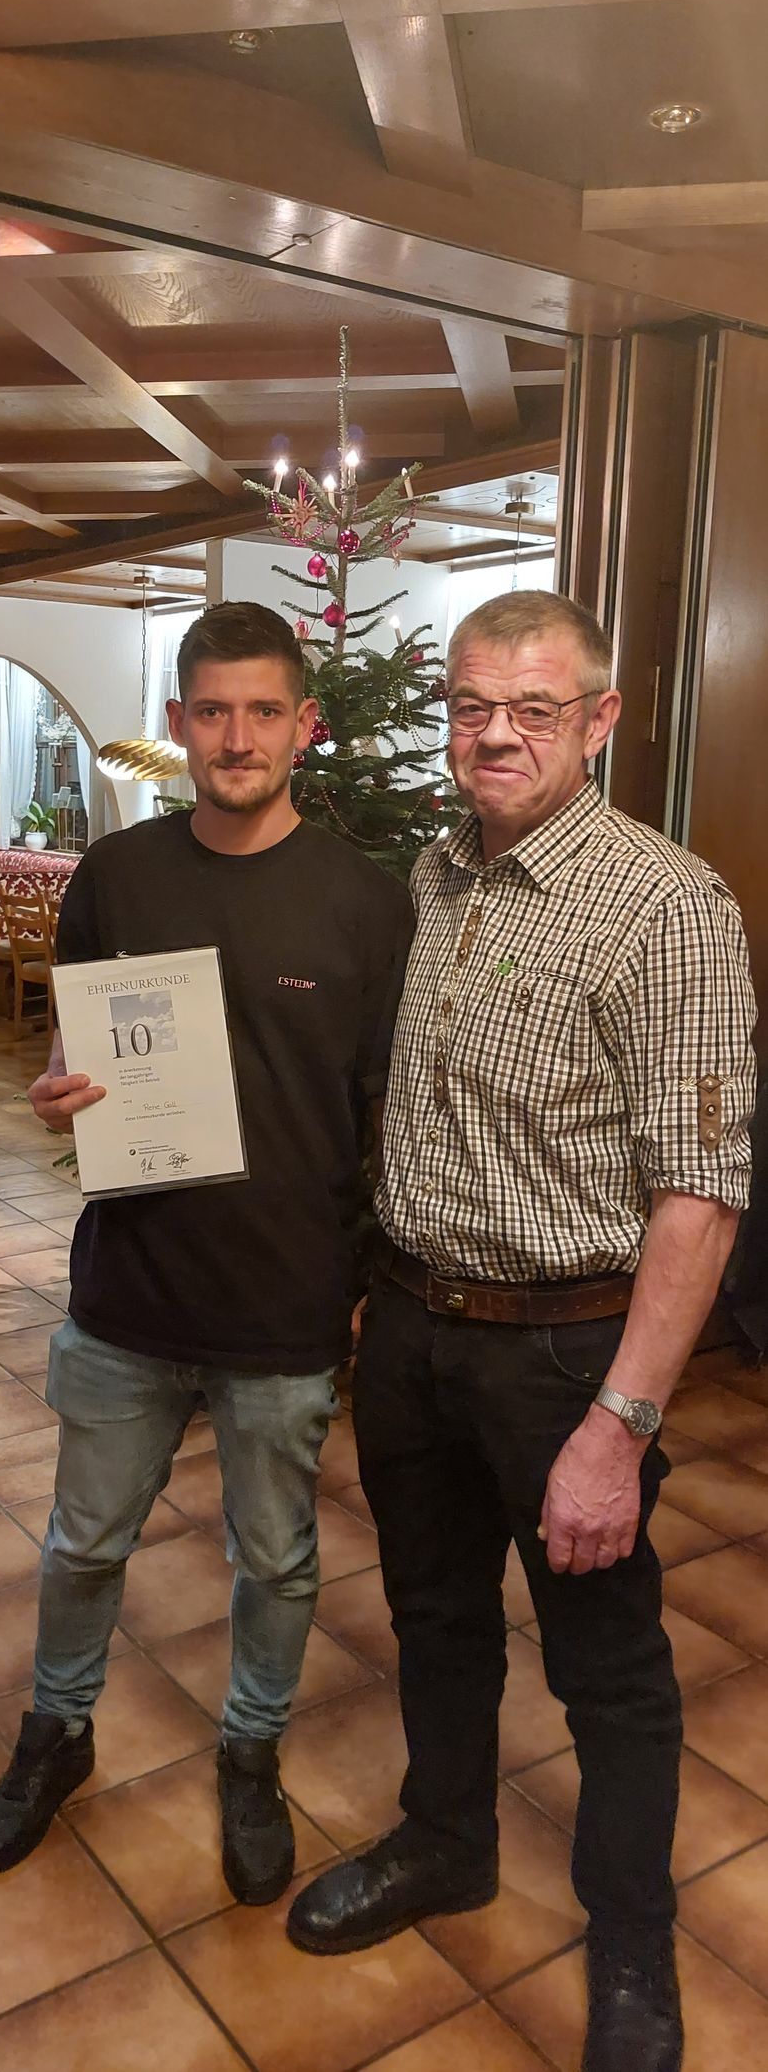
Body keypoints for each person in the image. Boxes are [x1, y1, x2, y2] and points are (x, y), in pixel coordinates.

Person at [288, 591, 757, 2072]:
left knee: (607, 1673)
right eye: (473, 703)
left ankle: (631, 1946)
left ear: (600, 723)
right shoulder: (427, 882)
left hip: (566, 1356)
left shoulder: (668, 905)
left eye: (535, 709)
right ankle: (449, 1843)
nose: (496, 732)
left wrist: (616, 1430)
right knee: (432, 1622)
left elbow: (702, 1193)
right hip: (415, 1331)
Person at [0, 600, 413, 1904]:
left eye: (262, 711)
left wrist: (366, 1288)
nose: (236, 735)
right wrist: (55, 1093)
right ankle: (56, 1731)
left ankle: (252, 1750)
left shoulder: (365, 903)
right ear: (178, 724)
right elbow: (68, 1056)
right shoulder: (121, 874)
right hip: (128, 1291)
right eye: (211, 710)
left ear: (303, 727)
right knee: (84, 1544)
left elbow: (385, 1114)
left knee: (275, 1558)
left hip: (285, 1302)